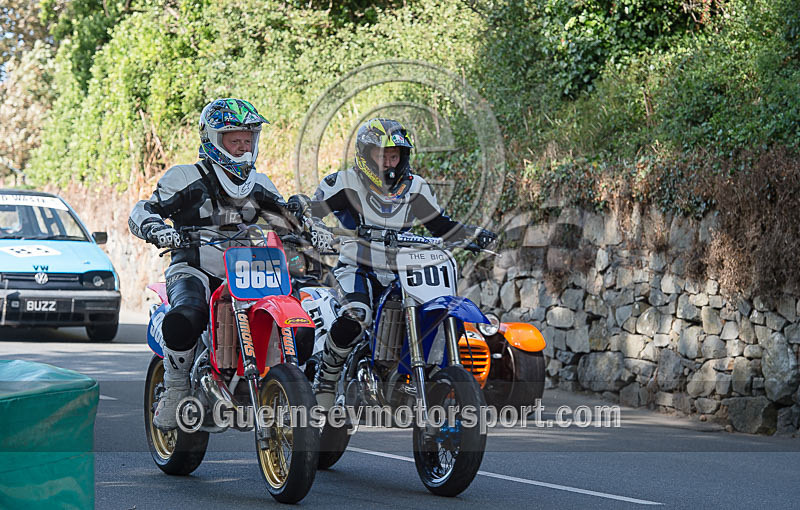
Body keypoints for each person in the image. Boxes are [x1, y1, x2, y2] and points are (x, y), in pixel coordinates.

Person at [295, 118, 496, 408]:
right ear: (366, 155)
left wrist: (472, 234)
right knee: (358, 315)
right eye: (382, 155)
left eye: (394, 156)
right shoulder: (344, 183)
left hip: (404, 271)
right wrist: (316, 228)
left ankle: (420, 376)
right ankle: (327, 376)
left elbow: (441, 226)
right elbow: (312, 211)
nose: (389, 163)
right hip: (357, 268)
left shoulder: (416, 188)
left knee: (432, 312)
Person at [129, 98, 304, 430]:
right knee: (186, 316)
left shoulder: (261, 184)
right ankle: (176, 388)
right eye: (234, 140)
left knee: (297, 319)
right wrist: (157, 229)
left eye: (247, 139)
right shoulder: (185, 177)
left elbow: (288, 222)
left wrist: (310, 228)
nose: (242, 148)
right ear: (213, 139)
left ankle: (285, 381)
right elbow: (144, 209)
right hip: (194, 266)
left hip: (248, 271)